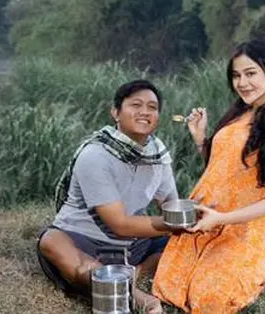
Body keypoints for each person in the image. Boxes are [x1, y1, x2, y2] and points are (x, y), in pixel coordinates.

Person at [152, 40, 265, 313]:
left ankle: (262, 271)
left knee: (209, 299)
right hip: (205, 218)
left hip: (243, 228)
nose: (242, 83)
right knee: (168, 286)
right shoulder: (238, 114)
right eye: (236, 75)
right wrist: (201, 139)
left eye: (250, 73)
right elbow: (221, 169)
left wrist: (222, 219)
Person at [37, 80, 179, 314]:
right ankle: (135, 295)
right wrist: (175, 226)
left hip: (134, 246)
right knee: (51, 241)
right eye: (136, 105)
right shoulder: (96, 155)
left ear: (158, 116)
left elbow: (172, 207)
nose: (145, 112)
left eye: (152, 108)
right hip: (85, 240)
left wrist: (189, 223)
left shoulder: (157, 155)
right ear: (116, 113)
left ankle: (131, 274)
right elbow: (119, 224)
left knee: (186, 245)